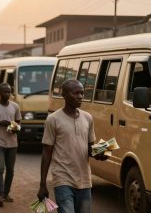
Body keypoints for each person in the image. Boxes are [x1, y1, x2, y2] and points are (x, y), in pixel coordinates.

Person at [37, 79, 107, 213]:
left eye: (82, 93)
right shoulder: (53, 119)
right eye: (76, 93)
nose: (80, 96)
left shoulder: (88, 118)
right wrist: (42, 184)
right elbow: (47, 153)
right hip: (63, 179)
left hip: (85, 180)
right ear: (64, 95)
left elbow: (90, 149)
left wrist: (100, 154)